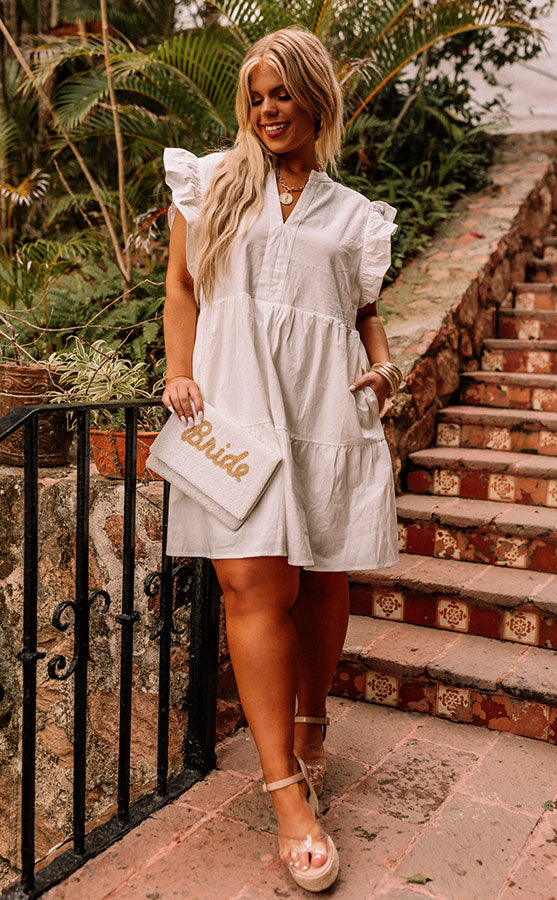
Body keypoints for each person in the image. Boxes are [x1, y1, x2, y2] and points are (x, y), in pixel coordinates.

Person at [161, 25, 401, 893]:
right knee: (253, 584)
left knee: (325, 577)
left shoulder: (355, 215)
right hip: (235, 406)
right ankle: (284, 792)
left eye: (283, 92)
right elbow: (183, 289)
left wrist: (380, 360)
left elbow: (363, 309)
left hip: (326, 406)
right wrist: (177, 371)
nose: (268, 108)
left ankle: (312, 721)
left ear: (316, 100)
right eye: (256, 95)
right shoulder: (213, 185)